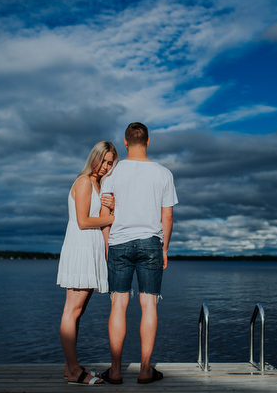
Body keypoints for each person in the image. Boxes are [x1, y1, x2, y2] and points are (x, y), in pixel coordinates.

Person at [99, 122, 178, 385]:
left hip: (119, 243)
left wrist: (108, 245)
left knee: (118, 305)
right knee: (149, 305)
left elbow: (105, 214)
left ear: (124, 142)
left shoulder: (112, 172)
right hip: (151, 243)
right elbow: (167, 216)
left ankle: (116, 371)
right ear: (147, 142)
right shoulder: (163, 173)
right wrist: (164, 248)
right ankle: (145, 370)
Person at [56, 141, 118, 385]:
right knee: (72, 311)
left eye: (110, 162)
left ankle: (68, 367)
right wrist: (113, 215)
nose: (106, 166)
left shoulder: (98, 184)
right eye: (103, 160)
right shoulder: (83, 182)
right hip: (80, 248)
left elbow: (101, 222)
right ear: (94, 158)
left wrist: (109, 209)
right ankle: (73, 372)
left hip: (91, 250)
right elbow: (82, 221)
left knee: (78, 312)